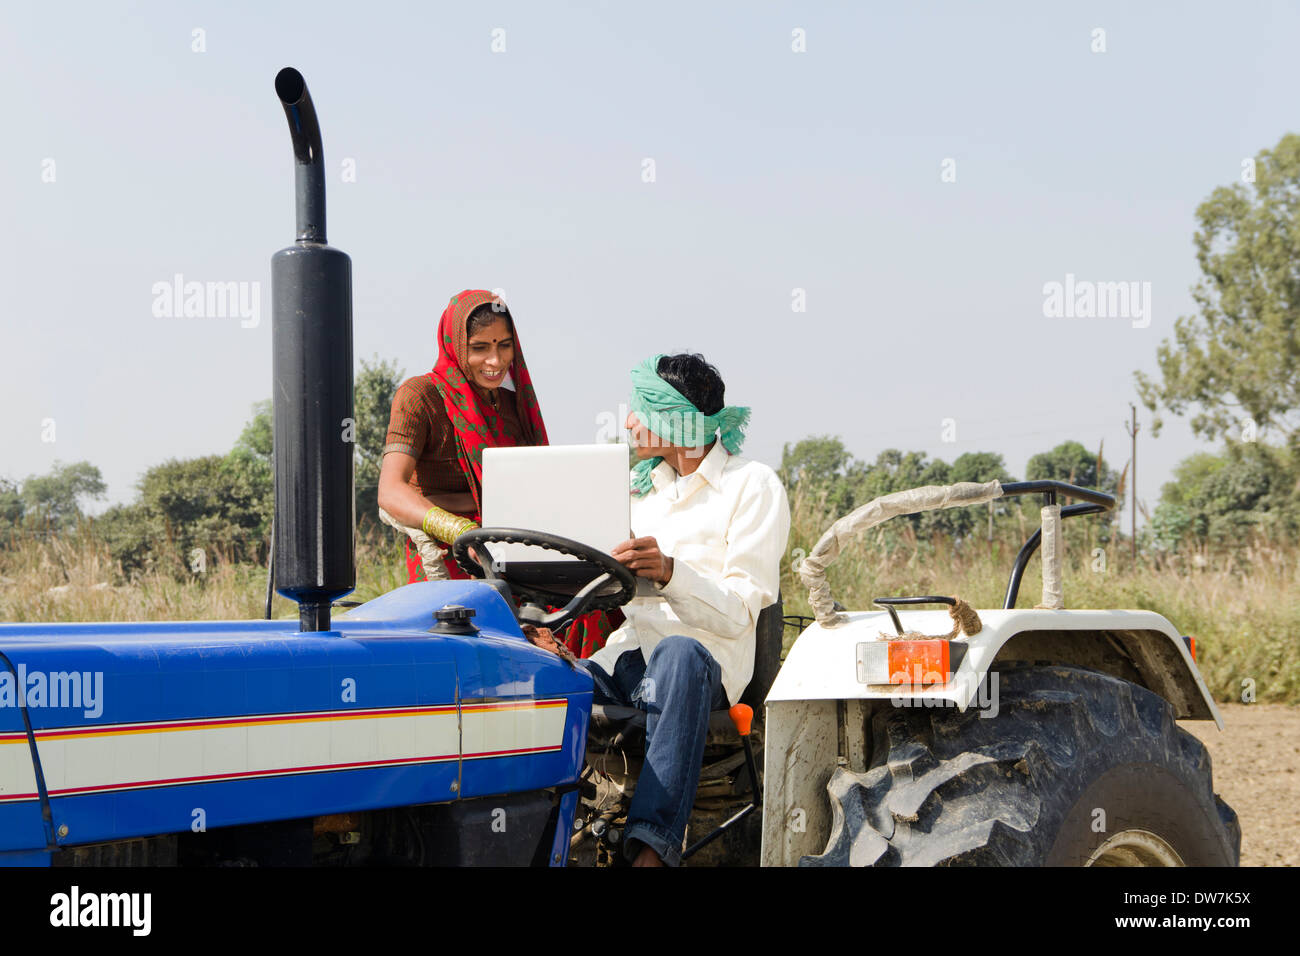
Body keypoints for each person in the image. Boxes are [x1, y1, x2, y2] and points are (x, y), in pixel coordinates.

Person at [580, 353, 791, 867]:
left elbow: (742, 611)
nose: (628, 421)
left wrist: (673, 572)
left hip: (705, 666)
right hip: (633, 662)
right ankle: (556, 831)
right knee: (545, 674)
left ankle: (651, 853)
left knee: (676, 653)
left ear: (676, 420)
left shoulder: (753, 486)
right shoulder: (637, 491)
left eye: (640, 408)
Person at [376, 289, 619, 657]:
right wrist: (461, 529)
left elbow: (536, 484)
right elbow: (391, 491)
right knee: (491, 638)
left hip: (514, 537)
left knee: (590, 601)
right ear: (455, 344)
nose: (495, 360)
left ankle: (589, 700)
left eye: (504, 345)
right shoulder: (419, 396)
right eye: (479, 347)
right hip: (454, 550)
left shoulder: (512, 404)